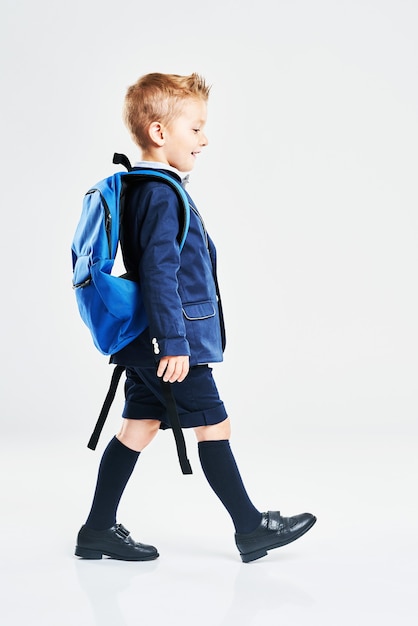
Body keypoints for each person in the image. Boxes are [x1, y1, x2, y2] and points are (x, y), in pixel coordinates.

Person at [75, 72, 316, 564]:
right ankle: (251, 530)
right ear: (160, 133)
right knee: (215, 425)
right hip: (169, 345)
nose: (205, 139)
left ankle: (97, 529)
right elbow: (161, 274)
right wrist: (177, 343)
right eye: (196, 128)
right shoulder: (161, 193)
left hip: (146, 341)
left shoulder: (144, 187)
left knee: (138, 427)